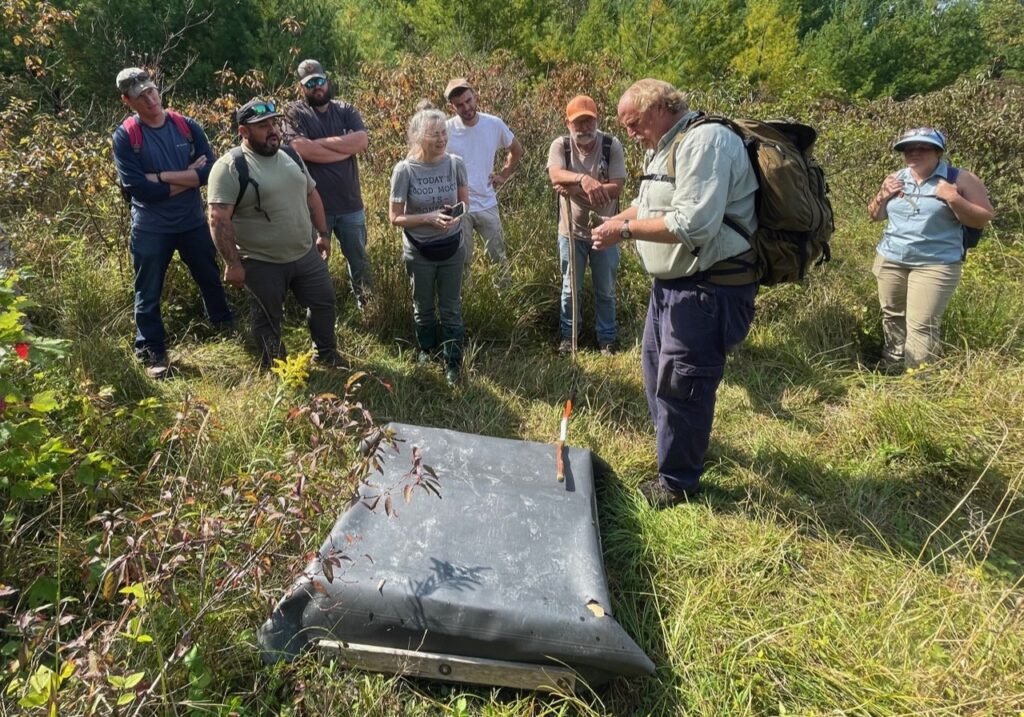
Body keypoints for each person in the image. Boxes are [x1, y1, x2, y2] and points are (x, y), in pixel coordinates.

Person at [591, 79, 759, 508]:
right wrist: (616, 223)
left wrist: (624, 231)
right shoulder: (665, 145)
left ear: (658, 109)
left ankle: (677, 484)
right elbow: (649, 208)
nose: (629, 133)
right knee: (657, 377)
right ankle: (679, 454)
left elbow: (693, 225)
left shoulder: (706, 142)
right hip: (671, 287)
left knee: (684, 385)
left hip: (707, 291)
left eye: (633, 124)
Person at [111, 67, 233, 378]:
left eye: (151, 90)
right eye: (141, 95)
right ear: (128, 100)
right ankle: (152, 351)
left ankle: (224, 327)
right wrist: (187, 177)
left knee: (209, 275)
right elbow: (140, 190)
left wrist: (162, 177)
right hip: (150, 228)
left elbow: (209, 173)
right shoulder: (126, 136)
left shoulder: (186, 126)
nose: (150, 98)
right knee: (147, 292)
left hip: (192, 222)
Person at [207, 98, 343, 369]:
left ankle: (326, 354)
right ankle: (278, 368)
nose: (273, 131)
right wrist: (233, 264)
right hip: (261, 261)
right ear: (243, 132)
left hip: (305, 253)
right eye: (262, 126)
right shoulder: (230, 167)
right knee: (268, 318)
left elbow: (312, 194)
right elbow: (217, 218)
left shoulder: (291, 155)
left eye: (274, 123)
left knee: (324, 303)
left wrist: (323, 234)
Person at [867, 127, 994, 369]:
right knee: (892, 315)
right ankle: (892, 364)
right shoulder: (896, 177)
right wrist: (882, 196)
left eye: (922, 147)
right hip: (891, 258)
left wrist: (953, 198)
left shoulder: (960, 179)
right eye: (908, 149)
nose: (914, 153)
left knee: (922, 323)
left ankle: (918, 380)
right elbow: (875, 215)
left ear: (938, 152)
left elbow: (983, 218)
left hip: (936, 263)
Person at [284, 59, 374, 311]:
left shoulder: (345, 109)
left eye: (319, 81)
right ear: (302, 87)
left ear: (327, 80)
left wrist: (319, 145)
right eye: (310, 83)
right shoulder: (295, 113)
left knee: (359, 259)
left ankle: (367, 305)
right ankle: (318, 308)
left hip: (350, 204)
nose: (317, 87)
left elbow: (361, 141)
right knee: (314, 262)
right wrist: (342, 149)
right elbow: (301, 149)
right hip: (313, 206)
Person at [389, 105, 469, 386]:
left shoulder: (455, 163)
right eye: (434, 134)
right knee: (422, 306)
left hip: (452, 247)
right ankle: (426, 350)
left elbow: (465, 204)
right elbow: (395, 217)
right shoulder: (405, 170)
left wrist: (451, 217)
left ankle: (453, 363)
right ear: (418, 137)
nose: (441, 139)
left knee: (451, 307)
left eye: (444, 133)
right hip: (419, 249)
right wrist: (428, 218)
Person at [547, 95, 626, 356]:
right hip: (570, 232)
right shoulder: (561, 145)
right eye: (578, 123)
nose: (584, 128)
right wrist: (584, 180)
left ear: (597, 119)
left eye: (588, 121)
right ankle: (570, 339)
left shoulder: (611, 145)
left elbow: (616, 187)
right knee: (571, 290)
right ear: (567, 123)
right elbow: (555, 176)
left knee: (605, 289)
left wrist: (573, 188)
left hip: (606, 230)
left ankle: (607, 339)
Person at [444, 78, 523, 284]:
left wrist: (503, 174)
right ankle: (466, 307)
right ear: (452, 106)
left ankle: (505, 304)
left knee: (498, 258)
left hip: (487, 202)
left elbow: (516, 150)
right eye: (460, 104)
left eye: (469, 100)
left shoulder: (493, 124)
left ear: (475, 96)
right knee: (462, 262)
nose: (466, 107)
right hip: (459, 206)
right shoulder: (446, 130)